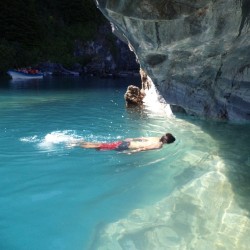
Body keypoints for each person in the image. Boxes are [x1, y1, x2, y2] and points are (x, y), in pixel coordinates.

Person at [72, 133, 175, 153]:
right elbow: (144, 149)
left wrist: (131, 138)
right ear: (168, 142)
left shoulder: (156, 138)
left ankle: (80, 142)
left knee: (102, 145)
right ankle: (78, 144)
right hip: (126, 146)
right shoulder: (159, 145)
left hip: (127, 142)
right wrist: (131, 152)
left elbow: (142, 138)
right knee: (101, 146)